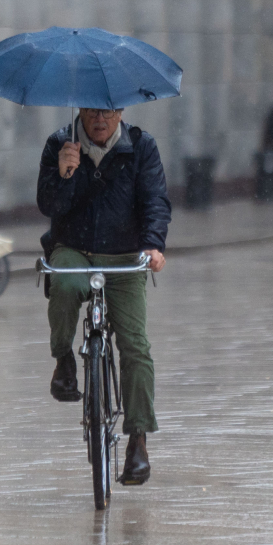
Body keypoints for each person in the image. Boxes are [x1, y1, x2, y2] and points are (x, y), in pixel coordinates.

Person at [38, 107, 170, 486]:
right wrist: (65, 173)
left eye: (109, 113)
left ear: (121, 112)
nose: (101, 120)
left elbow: (156, 201)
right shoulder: (59, 144)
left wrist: (153, 245)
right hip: (73, 248)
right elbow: (48, 206)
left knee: (135, 345)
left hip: (125, 254)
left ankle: (138, 441)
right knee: (63, 286)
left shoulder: (141, 147)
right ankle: (64, 358)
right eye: (94, 112)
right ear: (80, 110)